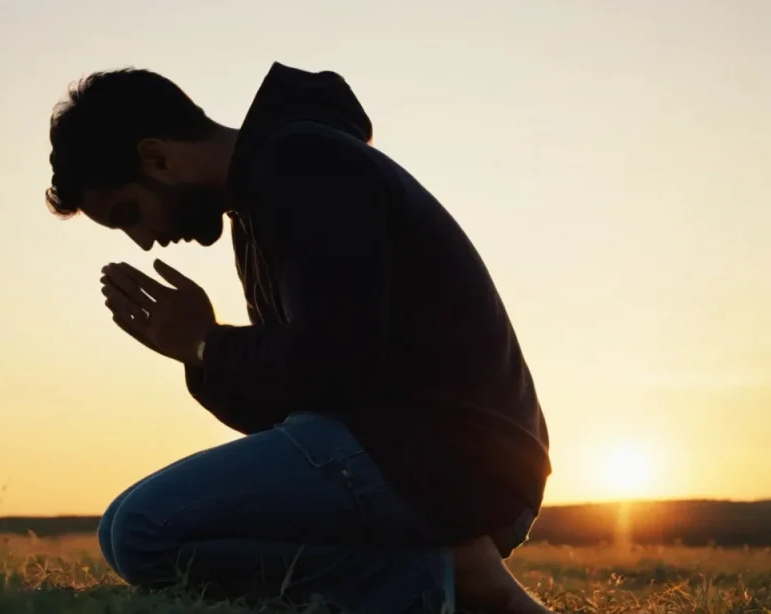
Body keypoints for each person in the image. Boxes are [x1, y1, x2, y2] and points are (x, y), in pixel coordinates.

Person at [44, 62, 553, 613]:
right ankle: (444, 571)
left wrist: (206, 344)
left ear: (158, 158)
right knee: (126, 526)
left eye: (129, 214)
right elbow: (301, 406)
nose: (145, 241)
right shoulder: (261, 200)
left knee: (143, 529)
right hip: (422, 455)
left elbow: (336, 364)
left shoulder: (303, 166)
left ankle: (442, 577)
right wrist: (198, 353)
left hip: (457, 459)